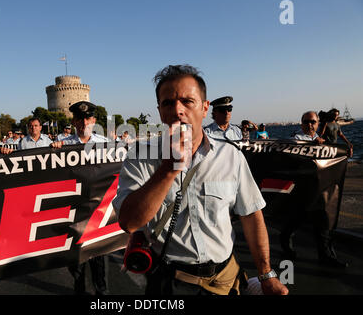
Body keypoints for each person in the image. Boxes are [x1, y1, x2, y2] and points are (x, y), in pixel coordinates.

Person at [113, 64, 288, 295]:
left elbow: (252, 215)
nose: (178, 110)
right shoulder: (140, 156)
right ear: (160, 112)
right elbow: (129, 222)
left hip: (226, 279)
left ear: (205, 108)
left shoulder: (230, 156)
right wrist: (168, 170)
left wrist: (267, 275)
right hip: (172, 283)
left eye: (188, 101)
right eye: (168, 103)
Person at [52, 101, 109, 295]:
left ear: (93, 120)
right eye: (79, 119)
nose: (84, 122)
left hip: (98, 212)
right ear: (74, 122)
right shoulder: (63, 145)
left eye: (88, 118)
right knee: (77, 268)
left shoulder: (105, 143)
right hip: (74, 214)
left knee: (99, 267)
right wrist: (54, 152)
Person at [279, 111, 348, 268]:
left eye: (313, 122)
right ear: (301, 123)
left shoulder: (321, 140)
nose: (310, 125)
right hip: (301, 190)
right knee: (295, 221)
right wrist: (311, 146)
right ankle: (286, 245)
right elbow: (287, 150)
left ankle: (326, 256)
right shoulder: (295, 139)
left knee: (322, 223)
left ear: (318, 123)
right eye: (306, 122)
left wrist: (343, 153)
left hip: (319, 188)